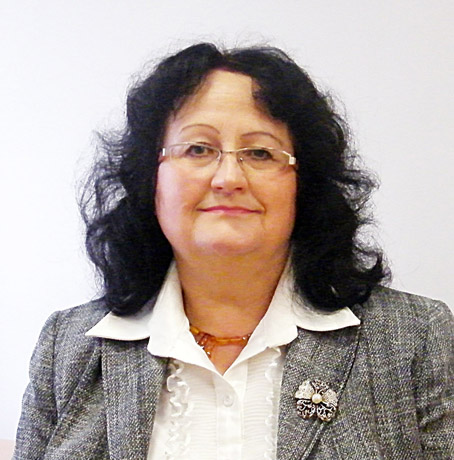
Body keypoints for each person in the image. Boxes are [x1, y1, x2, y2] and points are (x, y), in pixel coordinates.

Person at [14, 43, 454, 459]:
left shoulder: (416, 338)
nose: (228, 178)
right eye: (198, 148)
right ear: (151, 178)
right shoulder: (68, 348)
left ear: (305, 183)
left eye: (260, 152)